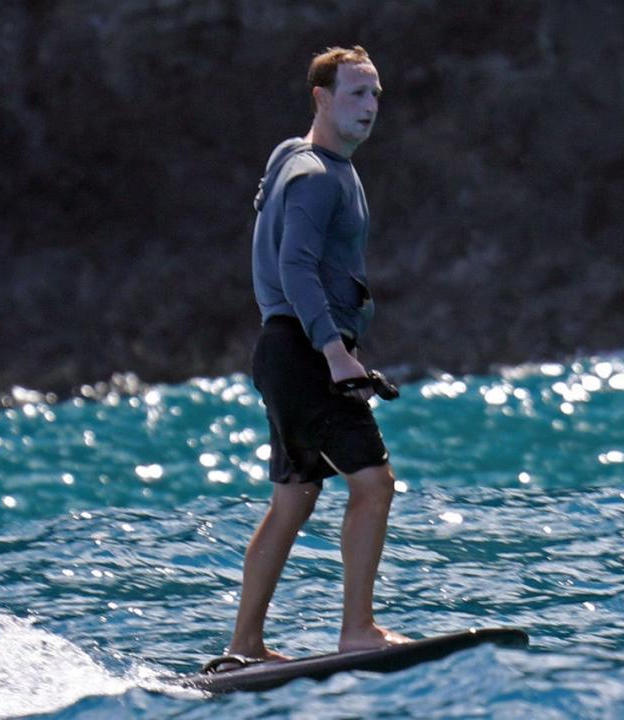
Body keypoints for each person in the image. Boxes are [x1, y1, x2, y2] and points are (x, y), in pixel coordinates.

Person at [226, 45, 409, 662]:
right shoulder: (316, 177)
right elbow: (294, 265)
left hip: (282, 351)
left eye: (376, 93)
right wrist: (334, 352)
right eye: (356, 93)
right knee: (374, 484)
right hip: (305, 353)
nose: (370, 105)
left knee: (294, 499)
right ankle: (358, 628)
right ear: (322, 99)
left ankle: (246, 644)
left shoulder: (293, 156)